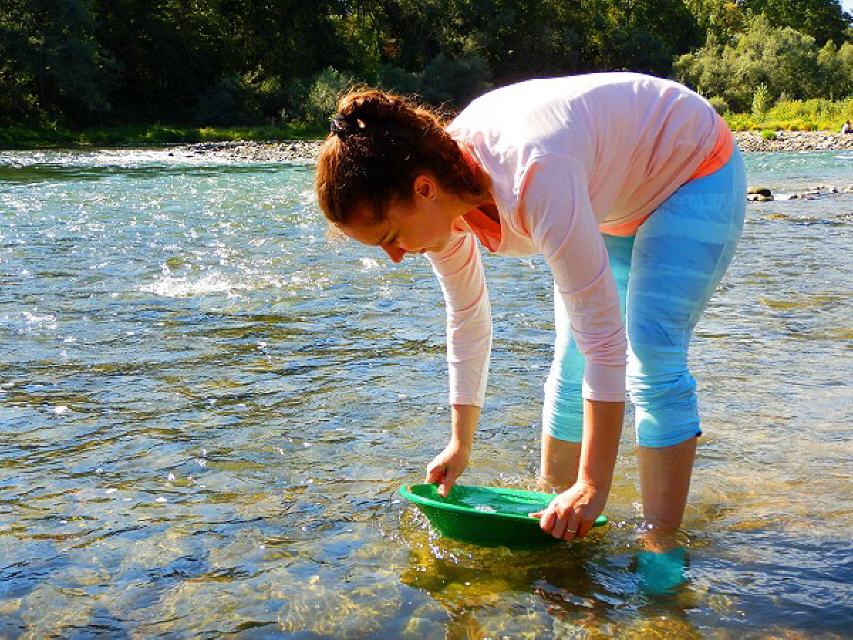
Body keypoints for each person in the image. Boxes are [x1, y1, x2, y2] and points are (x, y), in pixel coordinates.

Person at [315, 73, 746, 553]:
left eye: (390, 238)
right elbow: (467, 319)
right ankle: (553, 516)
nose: (396, 257)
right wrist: (461, 443)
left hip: (690, 167)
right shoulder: (440, 202)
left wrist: (593, 485)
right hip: (613, 193)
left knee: (651, 353)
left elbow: (606, 342)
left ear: (423, 189)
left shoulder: (535, 176)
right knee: (570, 361)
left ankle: (661, 543)